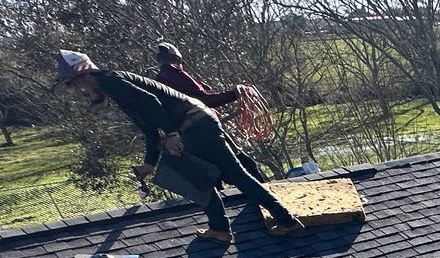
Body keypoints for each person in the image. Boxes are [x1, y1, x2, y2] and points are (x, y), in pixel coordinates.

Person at [54, 50, 299, 244]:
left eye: (75, 86)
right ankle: (222, 228)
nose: (79, 92)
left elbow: (151, 102)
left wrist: (171, 134)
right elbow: (148, 127)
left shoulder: (112, 82)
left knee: (231, 174)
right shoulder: (114, 86)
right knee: (198, 174)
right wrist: (149, 163)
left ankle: (281, 220)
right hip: (194, 123)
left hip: (196, 123)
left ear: (84, 76)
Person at [154, 42, 267, 182]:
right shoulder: (176, 73)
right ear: (177, 59)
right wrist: (235, 94)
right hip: (204, 129)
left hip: (188, 134)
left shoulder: (159, 82)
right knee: (242, 165)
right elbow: (207, 100)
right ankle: (264, 195)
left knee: (214, 173)